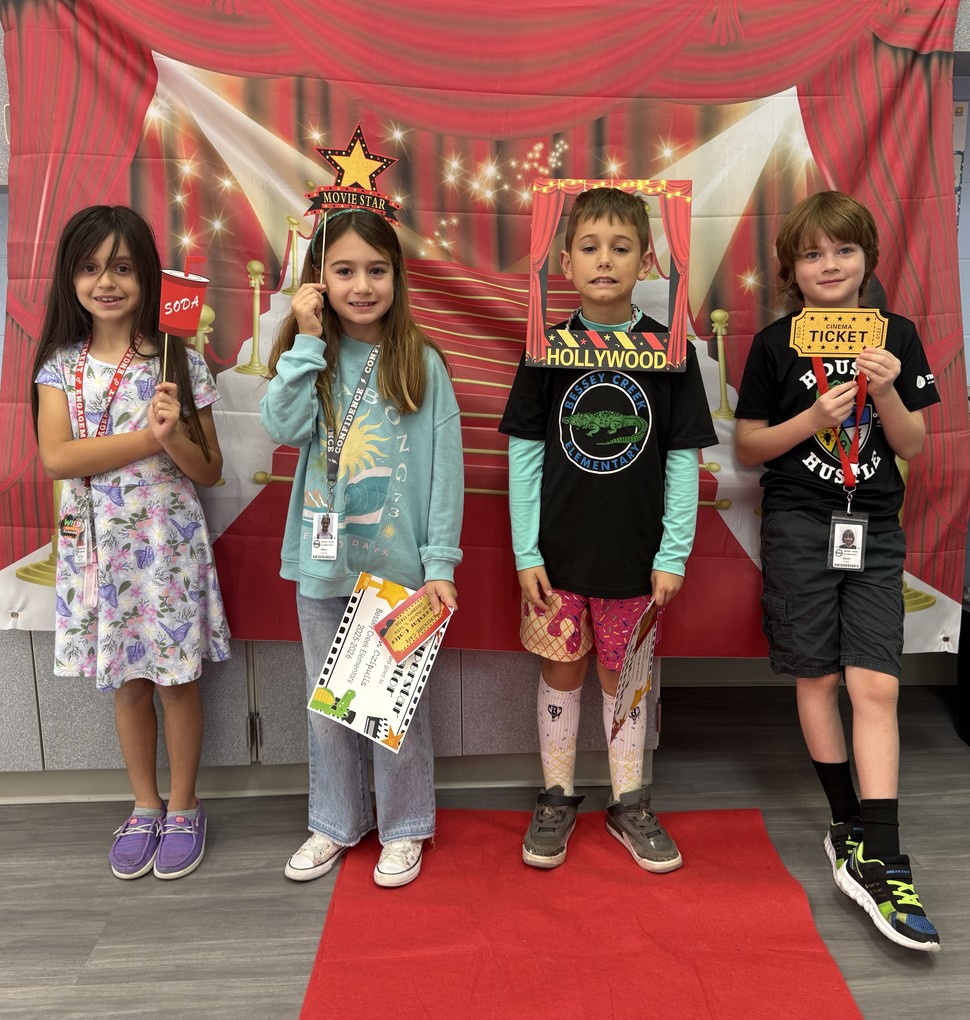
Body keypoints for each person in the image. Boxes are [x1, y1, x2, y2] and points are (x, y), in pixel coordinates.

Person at [734, 190, 941, 951]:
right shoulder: (774, 343)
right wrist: (813, 420)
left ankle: (885, 854)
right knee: (818, 678)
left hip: (874, 527)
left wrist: (885, 389)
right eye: (814, 253)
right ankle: (846, 824)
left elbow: (913, 445)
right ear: (791, 268)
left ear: (867, 261)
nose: (830, 265)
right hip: (798, 525)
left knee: (876, 682)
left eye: (844, 251)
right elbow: (750, 446)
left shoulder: (898, 337)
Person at [499, 187, 716, 871]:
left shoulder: (669, 351)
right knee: (562, 674)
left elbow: (683, 462)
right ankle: (558, 795)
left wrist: (673, 553)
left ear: (647, 259)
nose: (605, 261)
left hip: (635, 560)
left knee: (626, 680)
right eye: (590, 247)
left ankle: (629, 801)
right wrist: (525, 550)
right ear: (564, 260)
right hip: (557, 561)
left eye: (621, 248)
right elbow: (523, 457)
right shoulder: (546, 348)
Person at [261, 208, 463, 889]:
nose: (362, 285)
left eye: (376, 270)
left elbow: (444, 477)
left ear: (397, 278)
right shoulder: (310, 359)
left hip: (399, 574)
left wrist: (440, 567)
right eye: (343, 271)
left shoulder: (422, 363)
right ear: (319, 283)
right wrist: (307, 340)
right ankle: (334, 821)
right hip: (322, 569)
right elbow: (281, 427)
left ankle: (404, 826)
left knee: (391, 709)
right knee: (329, 709)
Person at [31, 205, 230, 880]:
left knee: (176, 683)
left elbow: (211, 470)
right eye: (90, 267)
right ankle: (143, 805)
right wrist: (149, 438)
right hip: (98, 555)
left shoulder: (178, 362)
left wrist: (175, 436)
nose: (105, 282)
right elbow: (57, 458)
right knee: (127, 683)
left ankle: (183, 806)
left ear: (147, 275)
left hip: (166, 551)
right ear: (70, 278)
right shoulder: (60, 366)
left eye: (121, 266)